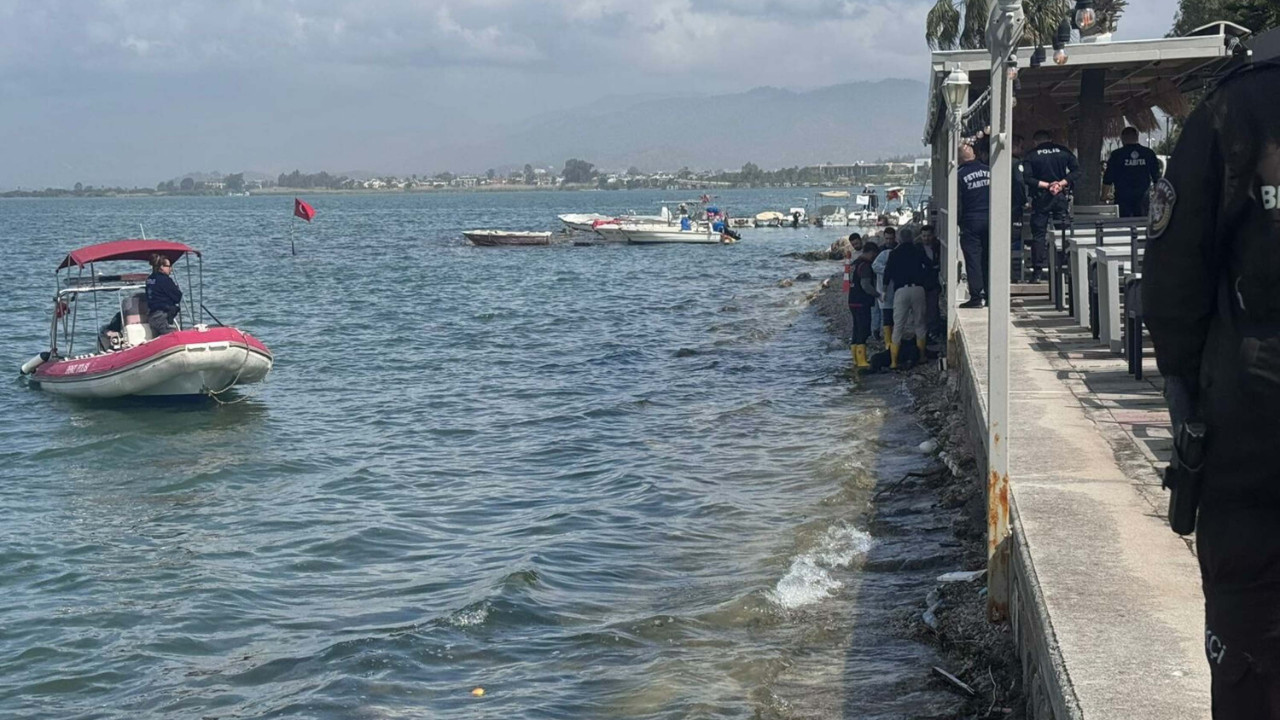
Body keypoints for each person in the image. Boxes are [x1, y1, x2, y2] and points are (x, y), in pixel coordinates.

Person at [1141, 58, 1280, 718]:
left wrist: (1190, 394)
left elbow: (1175, 282)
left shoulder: (1239, 107)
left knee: (1250, 654)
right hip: (1251, 442)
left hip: (1254, 443)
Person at [1023, 129, 1081, 282]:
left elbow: (1027, 178)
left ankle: (1037, 272)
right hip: (1059, 196)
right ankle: (1066, 267)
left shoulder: (1031, 155)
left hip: (1041, 197)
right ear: (1050, 139)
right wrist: (1060, 184)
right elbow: (1076, 171)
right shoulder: (1063, 151)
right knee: (1064, 233)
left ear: (1036, 141)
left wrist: (1047, 185)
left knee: (1039, 235)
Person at [884, 227, 930, 369]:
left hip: (901, 291)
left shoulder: (894, 253)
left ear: (899, 239)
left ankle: (893, 361)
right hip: (918, 289)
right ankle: (922, 356)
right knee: (920, 323)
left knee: (898, 326)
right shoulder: (918, 250)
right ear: (912, 237)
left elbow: (887, 274)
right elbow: (929, 265)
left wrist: (884, 291)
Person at [958, 143, 991, 308]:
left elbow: (957, 203)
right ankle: (992, 294)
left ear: (959, 158)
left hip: (970, 222)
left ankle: (977, 297)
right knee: (989, 258)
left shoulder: (959, 175)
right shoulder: (990, 171)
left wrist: (959, 222)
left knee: (973, 260)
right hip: (992, 219)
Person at [1103, 127, 1162, 218]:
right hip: (1143, 198)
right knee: (1141, 224)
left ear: (1122, 138)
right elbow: (1156, 177)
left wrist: (1104, 196)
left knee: (1123, 226)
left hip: (1122, 198)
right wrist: (1157, 196)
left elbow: (1108, 178)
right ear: (1137, 137)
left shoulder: (1117, 155)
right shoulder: (1148, 153)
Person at [848, 241, 880, 370]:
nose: (874, 258)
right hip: (861, 302)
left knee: (856, 329)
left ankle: (855, 359)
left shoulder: (854, 264)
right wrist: (877, 294)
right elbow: (866, 285)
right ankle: (862, 360)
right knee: (863, 330)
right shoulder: (865, 266)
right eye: (874, 255)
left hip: (852, 300)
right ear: (871, 253)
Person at [145, 254, 182, 336]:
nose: (171, 269)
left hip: (152, 316)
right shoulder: (165, 280)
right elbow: (177, 297)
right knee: (175, 335)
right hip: (161, 317)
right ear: (162, 267)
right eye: (169, 266)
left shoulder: (150, 279)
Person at [872, 227, 897, 341]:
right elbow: (875, 266)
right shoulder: (880, 250)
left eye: (891, 239)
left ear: (894, 238)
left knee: (894, 313)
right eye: (887, 239)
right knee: (880, 310)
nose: (889, 241)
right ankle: (877, 331)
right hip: (881, 284)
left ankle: (893, 336)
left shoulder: (898, 249)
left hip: (895, 287)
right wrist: (888, 270)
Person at [918, 224, 943, 337]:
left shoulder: (938, 246)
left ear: (933, 235)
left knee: (933, 307)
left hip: (933, 282)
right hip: (921, 282)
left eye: (928, 236)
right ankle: (925, 330)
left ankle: (934, 329)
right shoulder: (917, 248)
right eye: (924, 236)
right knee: (922, 308)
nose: (926, 238)